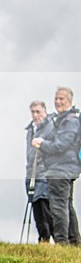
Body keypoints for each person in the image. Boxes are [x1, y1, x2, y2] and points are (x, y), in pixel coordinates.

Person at [32, 87, 81, 245]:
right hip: (64, 168)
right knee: (66, 205)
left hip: (61, 169)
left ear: (70, 100)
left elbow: (60, 146)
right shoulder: (63, 120)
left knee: (58, 206)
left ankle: (62, 242)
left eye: (62, 98)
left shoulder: (69, 121)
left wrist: (42, 144)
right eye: (56, 98)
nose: (58, 102)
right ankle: (74, 241)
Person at [24, 100, 52, 243]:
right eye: (33, 112)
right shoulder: (31, 130)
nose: (35, 115)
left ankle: (55, 239)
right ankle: (43, 239)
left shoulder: (50, 126)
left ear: (44, 112)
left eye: (38, 112)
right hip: (31, 173)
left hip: (44, 173)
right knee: (36, 207)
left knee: (45, 205)